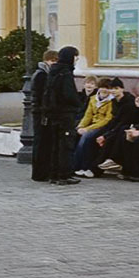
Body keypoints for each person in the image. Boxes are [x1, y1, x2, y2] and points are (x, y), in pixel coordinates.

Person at [43, 46, 82, 186]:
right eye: (75, 57)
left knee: (56, 144)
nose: (76, 60)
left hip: (54, 114)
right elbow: (68, 94)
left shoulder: (54, 71)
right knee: (66, 144)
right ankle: (63, 174)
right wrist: (78, 103)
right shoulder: (65, 73)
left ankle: (54, 174)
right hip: (65, 114)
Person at [94, 78, 139, 174]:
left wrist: (106, 135)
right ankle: (91, 166)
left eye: (116, 88)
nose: (113, 91)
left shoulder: (129, 101)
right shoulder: (114, 102)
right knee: (95, 135)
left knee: (111, 138)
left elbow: (123, 122)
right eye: (112, 89)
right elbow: (114, 120)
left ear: (122, 89)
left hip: (130, 126)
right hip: (120, 126)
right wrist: (104, 132)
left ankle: (100, 167)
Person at [72, 77, 115, 177]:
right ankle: (75, 166)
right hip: (91, 125)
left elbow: (107, 119)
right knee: (74, 135)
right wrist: (80, 126)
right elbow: (88, 115)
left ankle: (85, 166)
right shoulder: (93, 99)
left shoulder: (111, 102)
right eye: (102, 87)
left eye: (107, 88)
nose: (104, 90)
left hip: (102, 126)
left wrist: (87, 129)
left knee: (86, 138)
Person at [30, 49, 59, 182]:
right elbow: (42, 95)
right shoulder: (42, 75)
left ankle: (40, 172)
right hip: (41, 113)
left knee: (41, 142)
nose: (54, 64)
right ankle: (40, 173)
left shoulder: (41, 73)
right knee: (42, 143)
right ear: (48, 60)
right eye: (53, 61)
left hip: (39, 111)